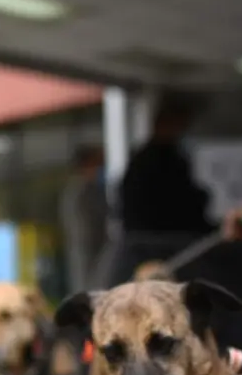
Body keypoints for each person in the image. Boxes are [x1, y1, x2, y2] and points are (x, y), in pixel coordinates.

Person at [106, 97, 215, 286]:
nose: (180, 130)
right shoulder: (153, 160)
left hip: (162, 241)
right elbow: (177, 202)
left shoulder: (160, 157)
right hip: (159, 243)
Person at [59, 144, 108, 293]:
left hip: (97, 252)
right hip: (87, 253)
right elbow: (81, 229)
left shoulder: (93, 189)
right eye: (98, 162)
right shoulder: (79, 192)